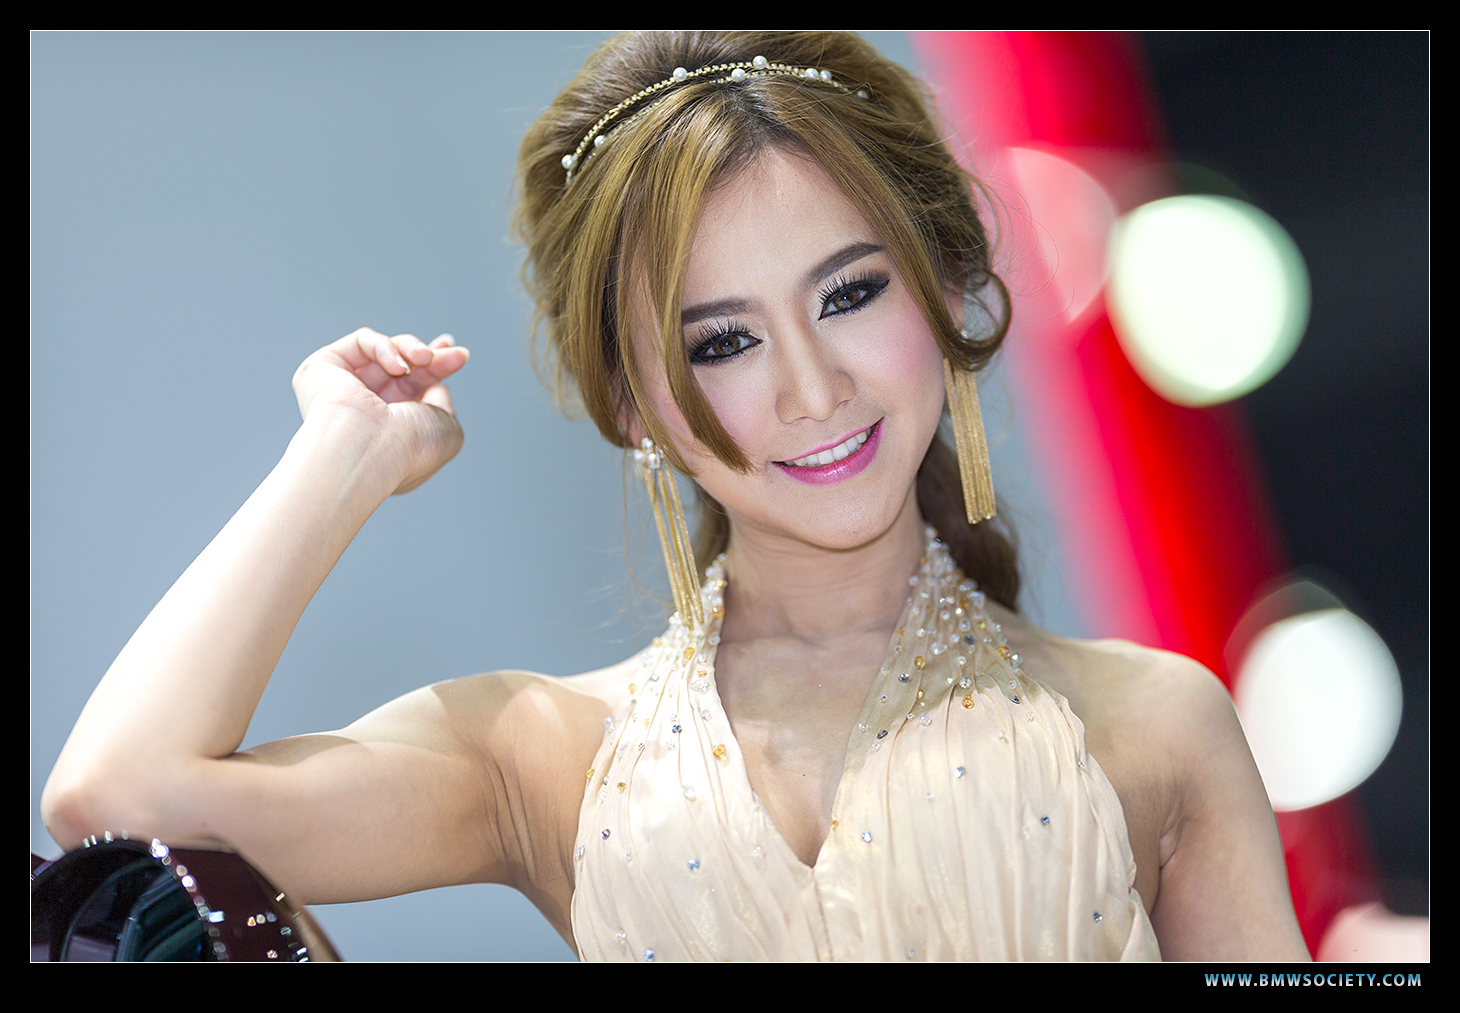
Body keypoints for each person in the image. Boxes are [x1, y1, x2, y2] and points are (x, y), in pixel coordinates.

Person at [42, 30, 1307, 961]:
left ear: (939, 290)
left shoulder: (1154, 724)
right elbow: (117, 800)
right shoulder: (541, 753)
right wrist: (342, 456)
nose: (810, 388)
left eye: (848, 293)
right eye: (723, 341)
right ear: (632, 404)